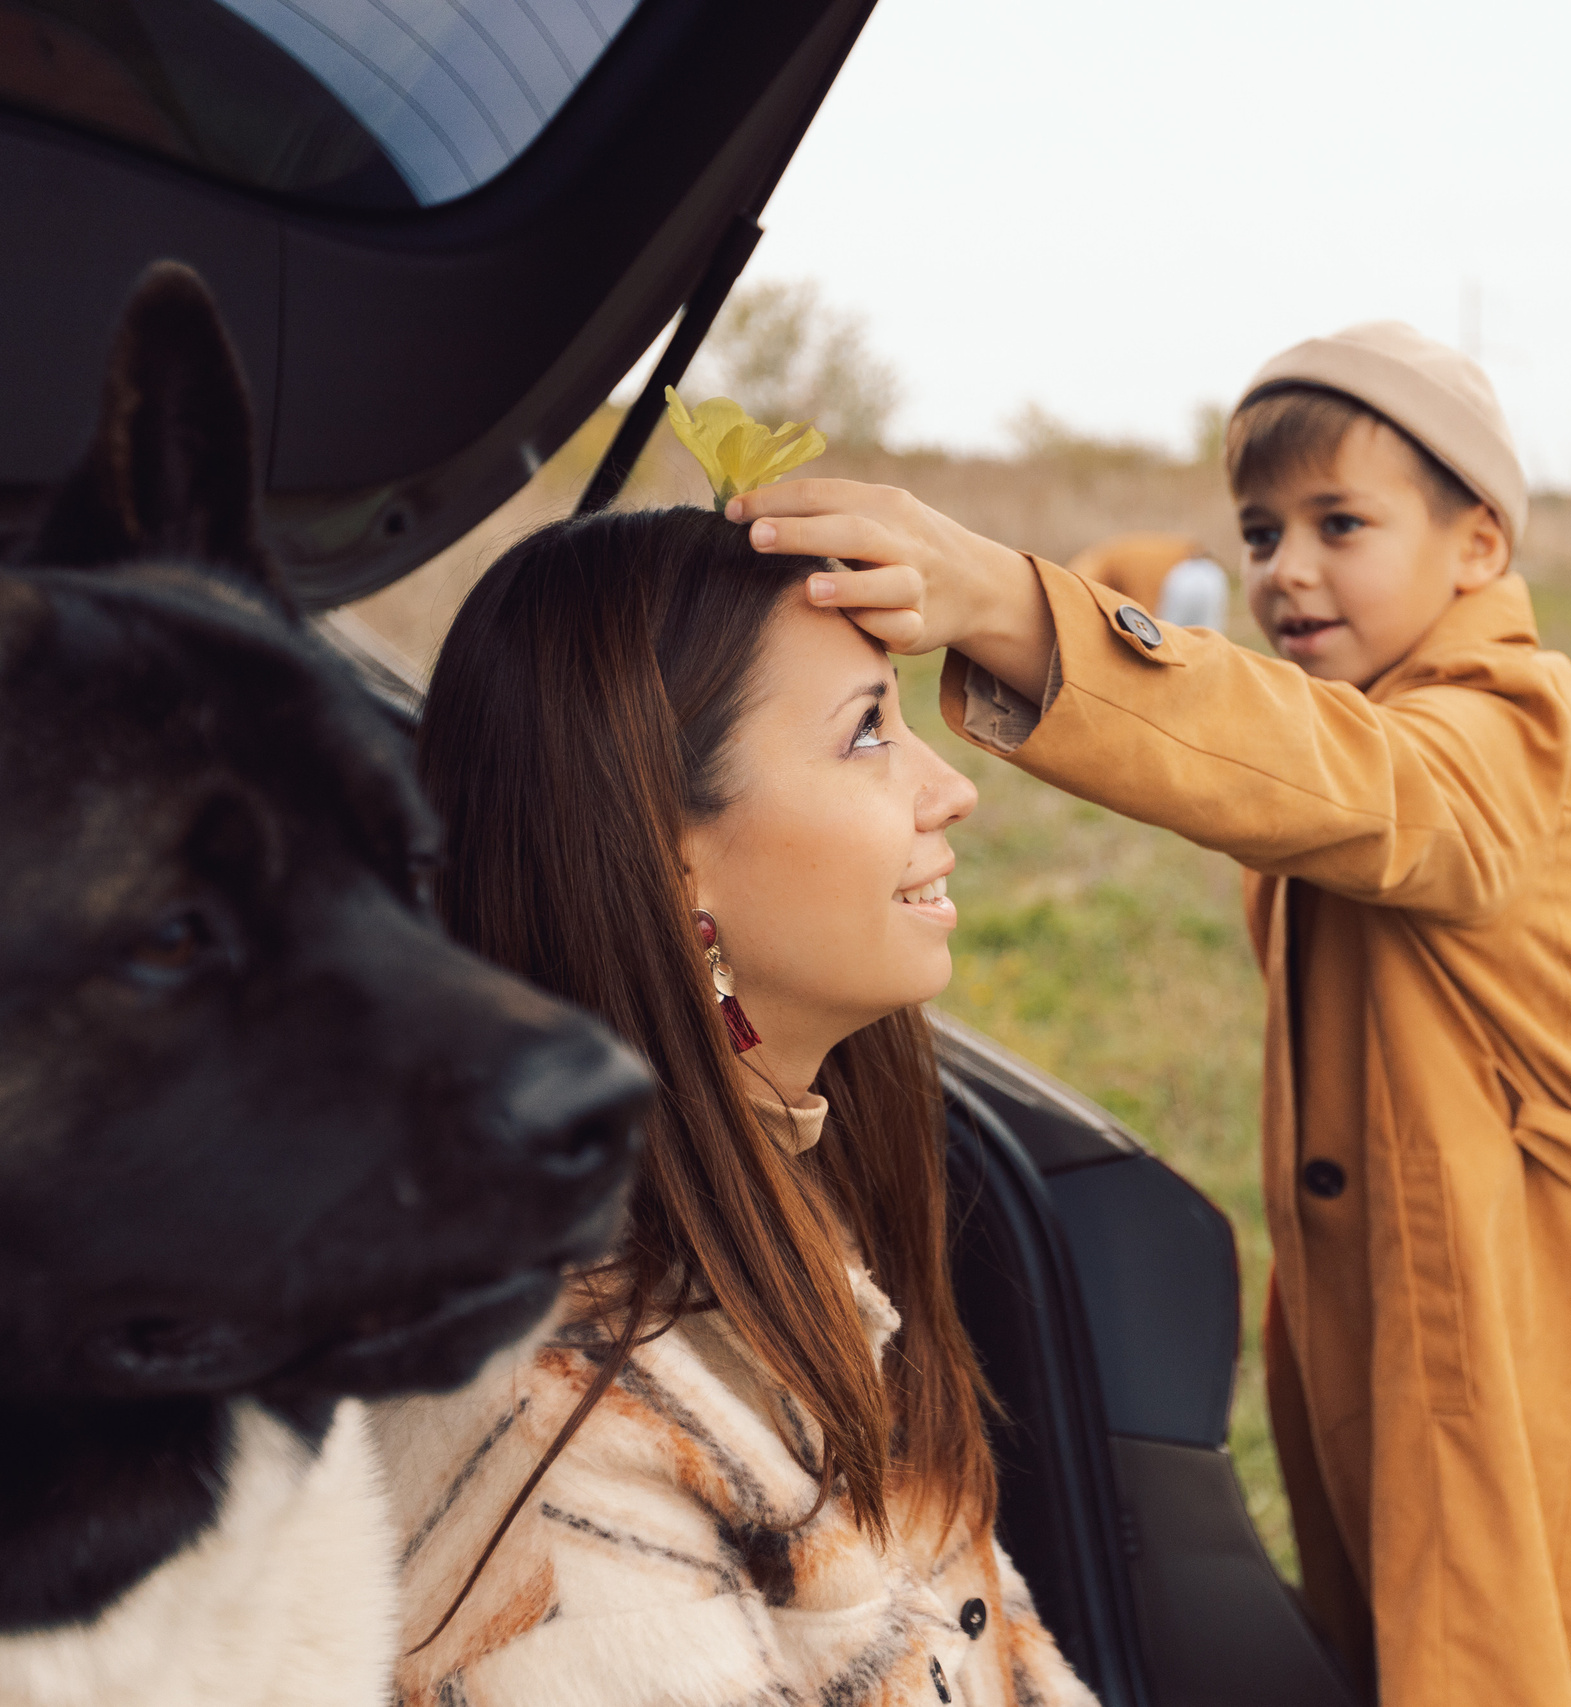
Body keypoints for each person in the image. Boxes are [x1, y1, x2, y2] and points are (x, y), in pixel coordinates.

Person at [726, 322, 1571, 1706]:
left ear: (1480, 546)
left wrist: (1012, 605)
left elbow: (1348, 781)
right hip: (1430, 1312)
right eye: (1261, 530)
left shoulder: (1511, 715)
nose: (1286, 569)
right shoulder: (1366, 712)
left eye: (1341, 521)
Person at [372, 506, 1095, 1707]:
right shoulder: (559, 1445)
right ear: (668, 857)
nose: (951, 790)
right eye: (867, 734)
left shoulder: (792, 1221)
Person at [1069, 530, 1232, 632]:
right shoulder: (1110, 555)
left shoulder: (1092, 570)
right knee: (1208, 642)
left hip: (1182, 579)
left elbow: (1145, 615)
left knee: (1167, 643)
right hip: (1209, 572)